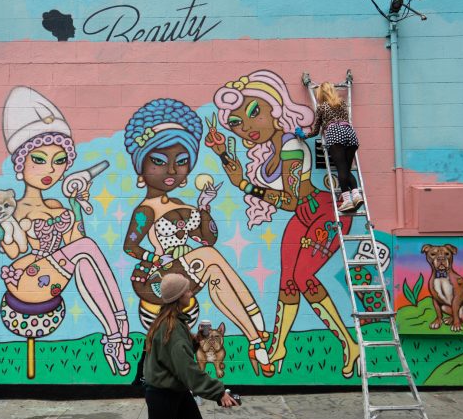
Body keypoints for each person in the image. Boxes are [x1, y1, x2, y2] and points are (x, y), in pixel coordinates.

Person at [211, 70, 360, 379]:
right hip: (301, 218)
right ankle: (278, 346)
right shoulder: (272, 155)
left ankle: (350, 343)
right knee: (288, 282)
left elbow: (292, 200)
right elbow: (249, 182)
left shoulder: (291, 146)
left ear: (275, 108)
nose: (247, 127)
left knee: (304, 277)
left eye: (254, 112)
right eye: (238, 124)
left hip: (322, 212)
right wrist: (224, 153)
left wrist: (249, 187)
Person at [0, 86, 130, 377]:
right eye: (39, 160)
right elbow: (15, 252)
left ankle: (114, 334)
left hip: (51, 277)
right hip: (26, 285)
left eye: (59, 160)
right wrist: (0, 224)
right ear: (20, 163)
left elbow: (76, 242)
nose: (50, 169)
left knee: (85, 253)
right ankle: (119, 323)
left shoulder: (56, 204)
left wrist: (76, 203)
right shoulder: (14, 208)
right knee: (85, 250)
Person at [123, 98, 271, 377]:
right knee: (210, 259)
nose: (171, 171)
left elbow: (207, 238)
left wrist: (204, 206)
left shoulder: (182, 204)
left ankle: (253, 338)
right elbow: (129, 246)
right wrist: (156, 256)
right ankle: (255, 327)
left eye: (180, 163)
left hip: (186, 270)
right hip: (157, 277)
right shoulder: (145, 210)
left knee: (213, 264)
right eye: (158, 162)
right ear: (141, 169)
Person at [92, 273, 238, 419]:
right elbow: (188, 370)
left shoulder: (167, 321)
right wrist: (218, 392)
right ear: (178, 297)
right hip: (164, 395)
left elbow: (173, 356)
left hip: (174, 391)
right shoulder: (172, 327)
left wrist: (195, 340)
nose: (191, 293)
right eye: (188, 291)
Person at [304, 81, 362, 213]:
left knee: (341, 169)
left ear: (321, 94)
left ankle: (347, 200)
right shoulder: (342, 103)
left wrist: (304, 136)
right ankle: (357, 195)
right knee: (346, 170)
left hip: (335, 134)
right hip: (350, 134)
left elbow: (316, 131)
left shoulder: (322, 107)